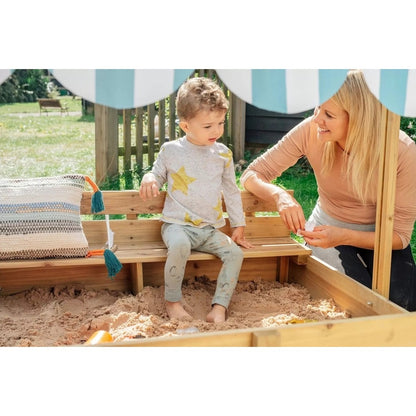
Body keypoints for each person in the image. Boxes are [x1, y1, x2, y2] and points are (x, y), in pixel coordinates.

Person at [241, 69, 416, 311]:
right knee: (360, 303)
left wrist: (344, 235)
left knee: (404, 306)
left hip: (381, 236)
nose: (316, 119)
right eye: (317, 109)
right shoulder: (310, 131)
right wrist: (279, 195)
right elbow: (251, 174)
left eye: (329, 115)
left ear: (357, 118)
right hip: (325, 233)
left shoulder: (402, 150)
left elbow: (400, 236)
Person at [139, 77, 252, 323]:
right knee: (179, 246)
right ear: (186, 126)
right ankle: (173, 302)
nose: (217, 131)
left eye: (221, 123)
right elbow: (157, 175)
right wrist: (149, 178)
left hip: (209, 230)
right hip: (177, 226)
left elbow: (231, 191)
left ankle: (219, 307)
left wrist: (239, 225)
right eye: (208, 126)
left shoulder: (222, 154)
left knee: (235, 254)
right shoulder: (171, 150)